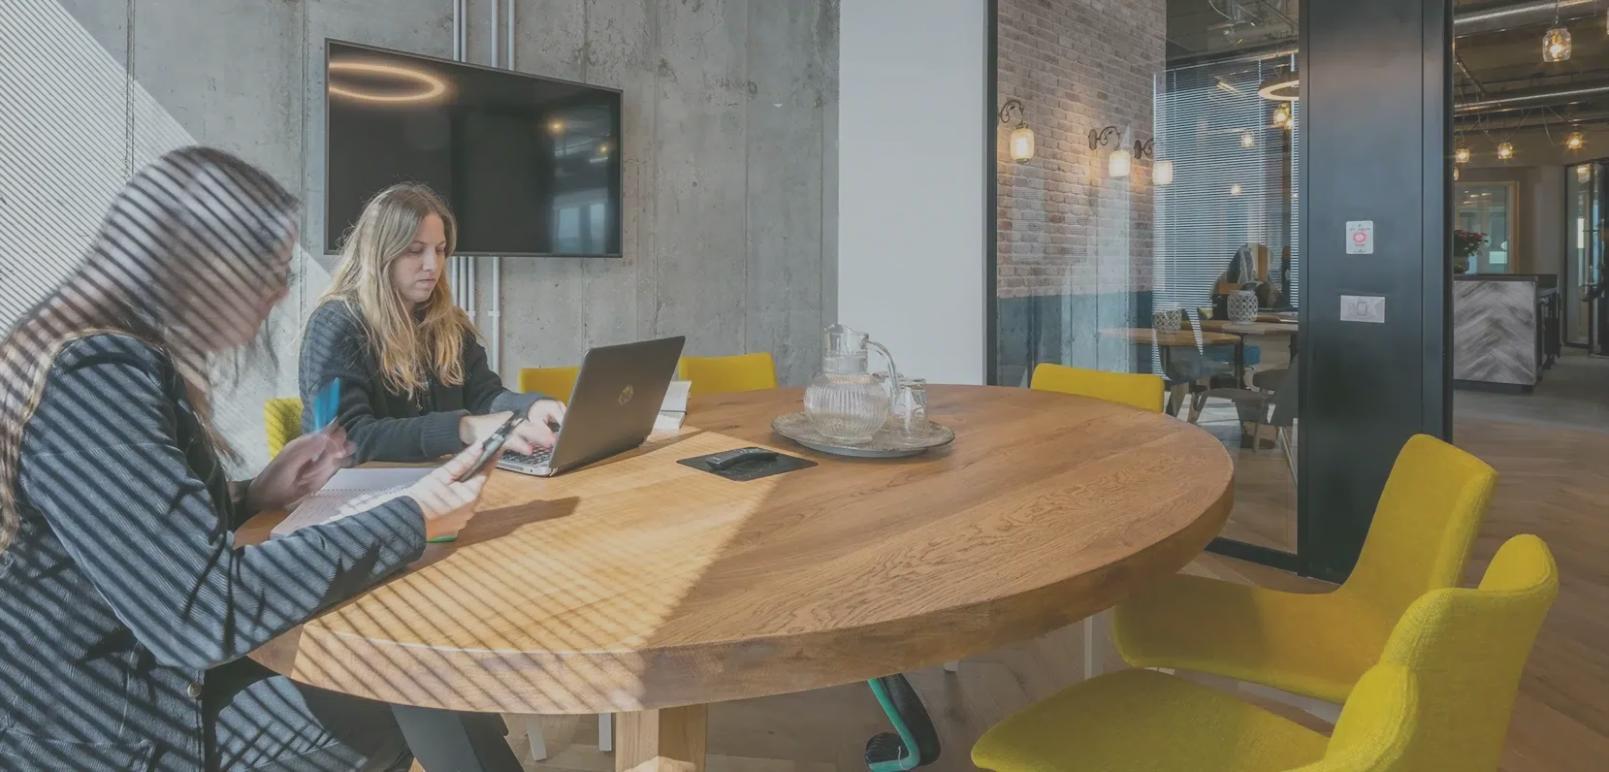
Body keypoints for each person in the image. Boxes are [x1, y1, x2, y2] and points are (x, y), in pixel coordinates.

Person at [0, 147, 499, 770]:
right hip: (117, 721)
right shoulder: (95, 379)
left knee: (416, 685)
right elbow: (199, 609)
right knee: (411, 689)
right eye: (266, 268)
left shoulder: (117, 358)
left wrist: (252, 495)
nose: (280, 290)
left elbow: (145, 537)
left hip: (158, 675)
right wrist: (410, 517)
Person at [300, 183, 564, 464]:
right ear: (379, 255)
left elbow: (484, 396)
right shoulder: (336, 325)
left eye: (440, 250)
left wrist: (528, 406)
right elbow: (345, 441)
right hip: (364, 487)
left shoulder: (448, 322)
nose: (433, 265)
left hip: (439, 477)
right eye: (415, 250)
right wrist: (462, 428)